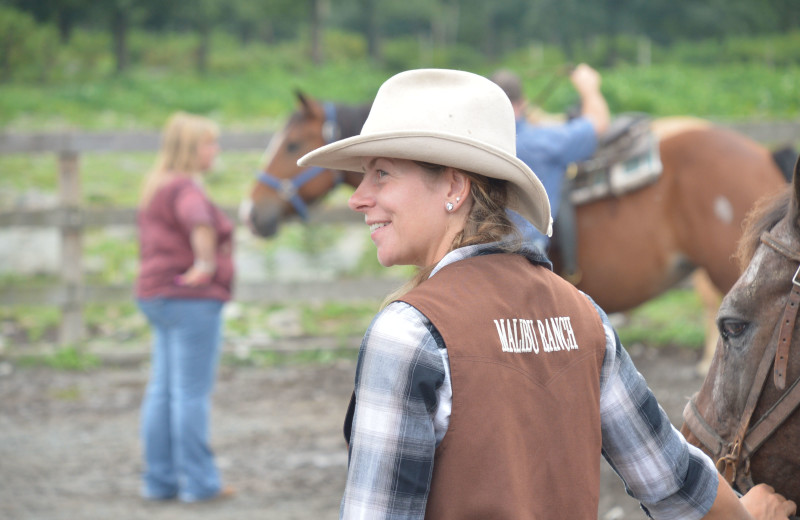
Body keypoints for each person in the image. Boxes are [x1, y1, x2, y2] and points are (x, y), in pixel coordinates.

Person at [297, 69, 796, 519]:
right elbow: (673, 482)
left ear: (453, 186)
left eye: (381, 173)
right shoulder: (584, 316)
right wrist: (744, 516)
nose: (359, 197)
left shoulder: (408, 334)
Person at [135, 111, 235, 503]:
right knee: (190, 394)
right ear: (192, 150)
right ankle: (199, 483)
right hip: (190, 300)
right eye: (211, 143)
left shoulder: (156, 185)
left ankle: (159, 482)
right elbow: (200, 224)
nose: (216, 150)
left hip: (156, 296)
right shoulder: (187, 189)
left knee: (162, 391)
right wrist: (206, 265)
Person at [491, 64, 610, 279]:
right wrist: (589, 89)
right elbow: (598, 124)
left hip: (474, 256)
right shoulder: (541, 142)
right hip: (525, 259)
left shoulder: (476, 143)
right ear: (522, 103)